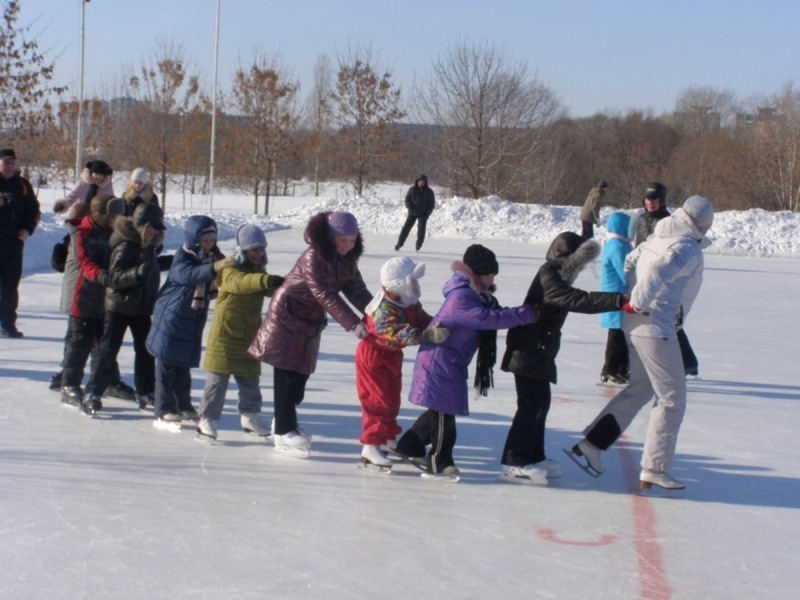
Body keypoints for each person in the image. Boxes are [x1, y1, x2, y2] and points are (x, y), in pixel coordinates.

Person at [568, 196, 714, 492]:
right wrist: (637, 301)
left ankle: (592, 445)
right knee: (672, 399)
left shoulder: (659, 235)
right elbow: (660, 272)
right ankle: (655, 468)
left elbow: (632, 259)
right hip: (657, 328)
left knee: (641, 389)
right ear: (703, 223)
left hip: (636, 326)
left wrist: (630, 291)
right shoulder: (686, 246)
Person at [392, 244, 536, 479]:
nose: (491, 280)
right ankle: (440, 460)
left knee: (439, 409)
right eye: (488, 274)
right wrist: (526, 314)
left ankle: (409, 445)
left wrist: (521, 312)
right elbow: (488, 319)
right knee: (443, 414)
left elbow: (494, 312)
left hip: (449, 360)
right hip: (438, 361)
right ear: (476, 274)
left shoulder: (475, 294)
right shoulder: (462, 297)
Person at [499, 233, 627, 485]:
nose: (580, 268)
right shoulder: (549, 276)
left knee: (541, 405)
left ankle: (533, 456)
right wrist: (618, 300)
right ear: (566, 259)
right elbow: (575, 299)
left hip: (539, 350)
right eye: (578, 262)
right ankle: (514, 463)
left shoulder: (557, 275)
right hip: (527, 350)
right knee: (529, 408)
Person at [249, 211, 373, 459]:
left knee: (300, 378)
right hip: (287, 316)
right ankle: (284, 433)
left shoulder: (347, 259)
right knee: (286, 374)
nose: (347, 246)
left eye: (351, 240)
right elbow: (325, 293)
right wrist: (354, 325)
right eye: (342, 240)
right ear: (329, 238)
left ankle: (284, 422)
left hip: (309, 321)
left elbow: (356, 290)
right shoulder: (313, 257)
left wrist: (377, 315)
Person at [355, 257, 449, 469]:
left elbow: (421, 318)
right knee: (376, 401)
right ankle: (370, 445)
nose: (416, 285)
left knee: (391, 399)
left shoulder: (407, 301)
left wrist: (437, 323)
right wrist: (426, 336)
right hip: (373, 357)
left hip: (391, 356)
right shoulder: (384, 308)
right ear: (399, 283)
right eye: (412, 280)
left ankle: (386, 439)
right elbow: (395, 332)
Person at [196, 224, 284, 441]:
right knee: (217, 381)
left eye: (262, 249)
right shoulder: (230, 269)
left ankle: (250, 417)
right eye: (254, 249)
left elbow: (265, 287)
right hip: (225, 334)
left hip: (249, 333)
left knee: (250, 380)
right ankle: (206, 419)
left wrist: (284, 286)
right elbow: (241, 283)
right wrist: (266, 280)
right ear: (243, 250)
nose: (258, 254)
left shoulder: (258, 270)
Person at [146, 216, 235, 430]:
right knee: (167, 364)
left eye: (212, 240)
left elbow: (225, 271)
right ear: (195, 239)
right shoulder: (183, 256)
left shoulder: (212, 256)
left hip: (193, 316)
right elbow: (188, 275)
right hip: (171, 315)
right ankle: (164, 408)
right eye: (205, 240)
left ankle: (183, 404)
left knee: (183, 363)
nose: (209, 244)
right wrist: (215, 267)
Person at [49, 201, 136, 401]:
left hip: (105, 295)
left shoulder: (114, 232)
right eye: (113, 217)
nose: (117, 221)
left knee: (104, 343)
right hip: (82, 294)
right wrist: (102, 276)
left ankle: (108, 381)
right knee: (80, 341)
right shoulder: (81, 233)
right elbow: (84, 262)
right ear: (100, 214)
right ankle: (69, 384)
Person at [89, 202, 169, 414]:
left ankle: (146, 390)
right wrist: (138, 273)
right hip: (119, 307)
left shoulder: (148, 243)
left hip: (141, 307)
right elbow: (113, 278)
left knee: (145, 351)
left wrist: (171, 262)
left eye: (157, 228)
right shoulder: (126, 245)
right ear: (141, 225)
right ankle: (94, 391)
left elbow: (150, 266)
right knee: (108, 350)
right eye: (152, 228)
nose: (155, 232)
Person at [635, 181, 700, 376]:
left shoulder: (668, 220)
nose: (650, 203)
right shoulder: (641, 219)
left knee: (667, 320)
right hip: (644, 270)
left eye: (654, 199)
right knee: (659, 320)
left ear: (661, 200)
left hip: (665, 273)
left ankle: (687, 361)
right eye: (647, 199)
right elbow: (640, 245)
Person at [0, 148, 41, 338]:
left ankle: (7, 325)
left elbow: (33, 211)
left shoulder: (22, 185)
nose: (9, 166)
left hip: (13, 245)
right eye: (5, 162)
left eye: (12, 162)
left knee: (9, 287)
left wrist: (27, 229)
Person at [599, 211, 636, 385]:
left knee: (619, 334)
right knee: (617, 335)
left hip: (618, 296)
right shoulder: (617, 246)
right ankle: (611, 369)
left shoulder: (619, 244)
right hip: (616, 297)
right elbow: (625, 272)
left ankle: (619, 369)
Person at [394, 174, 435, 252]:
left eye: (423, 181)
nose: (421, 183)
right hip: (413, 212)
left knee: (421, 230)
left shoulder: (429, 192)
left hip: (423, 214)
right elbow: (407, 200)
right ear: (417, 181)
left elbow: (432, 204)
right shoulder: (412, 189)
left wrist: (427, 213)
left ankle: (418, 245)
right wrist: (410, 208)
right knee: (406, 228)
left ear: (425, 182)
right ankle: (399, 244)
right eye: (420, 181)